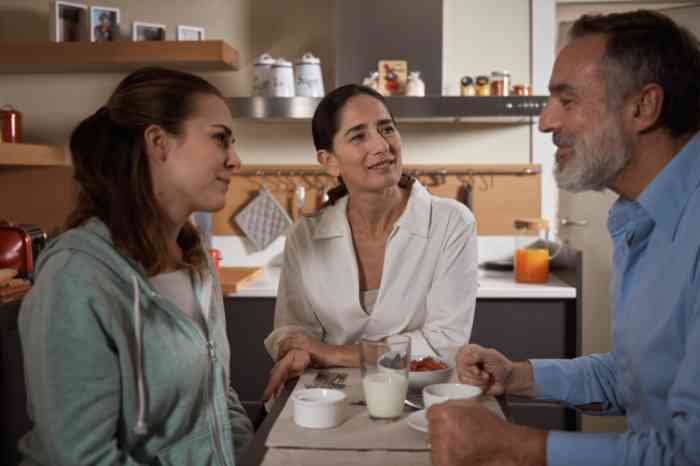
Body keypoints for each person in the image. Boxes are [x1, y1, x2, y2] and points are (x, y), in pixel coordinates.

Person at [427, 9, 700, 466]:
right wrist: (517, 376)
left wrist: (510, 446)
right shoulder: (643, 221)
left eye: (566, 100)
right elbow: (632, 378)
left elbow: (689, 454)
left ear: (642, 107)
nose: (546, 122)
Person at [18, 67, 253, 465]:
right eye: (220, 139)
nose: (236, 159)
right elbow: (82, 457)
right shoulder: (76, 277)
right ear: (159, 143)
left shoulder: (196, 263)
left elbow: (219, 397)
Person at [262, 84, 478, 400]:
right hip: (327, 397)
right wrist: (293, 347)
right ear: (330, 161)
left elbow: (443, 345)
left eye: (386, 129)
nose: (381, 145)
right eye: (358, 136)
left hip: (418, 398)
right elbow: (292, 328)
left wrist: (331, 352)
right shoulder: (305, 235)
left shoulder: (451, 222)